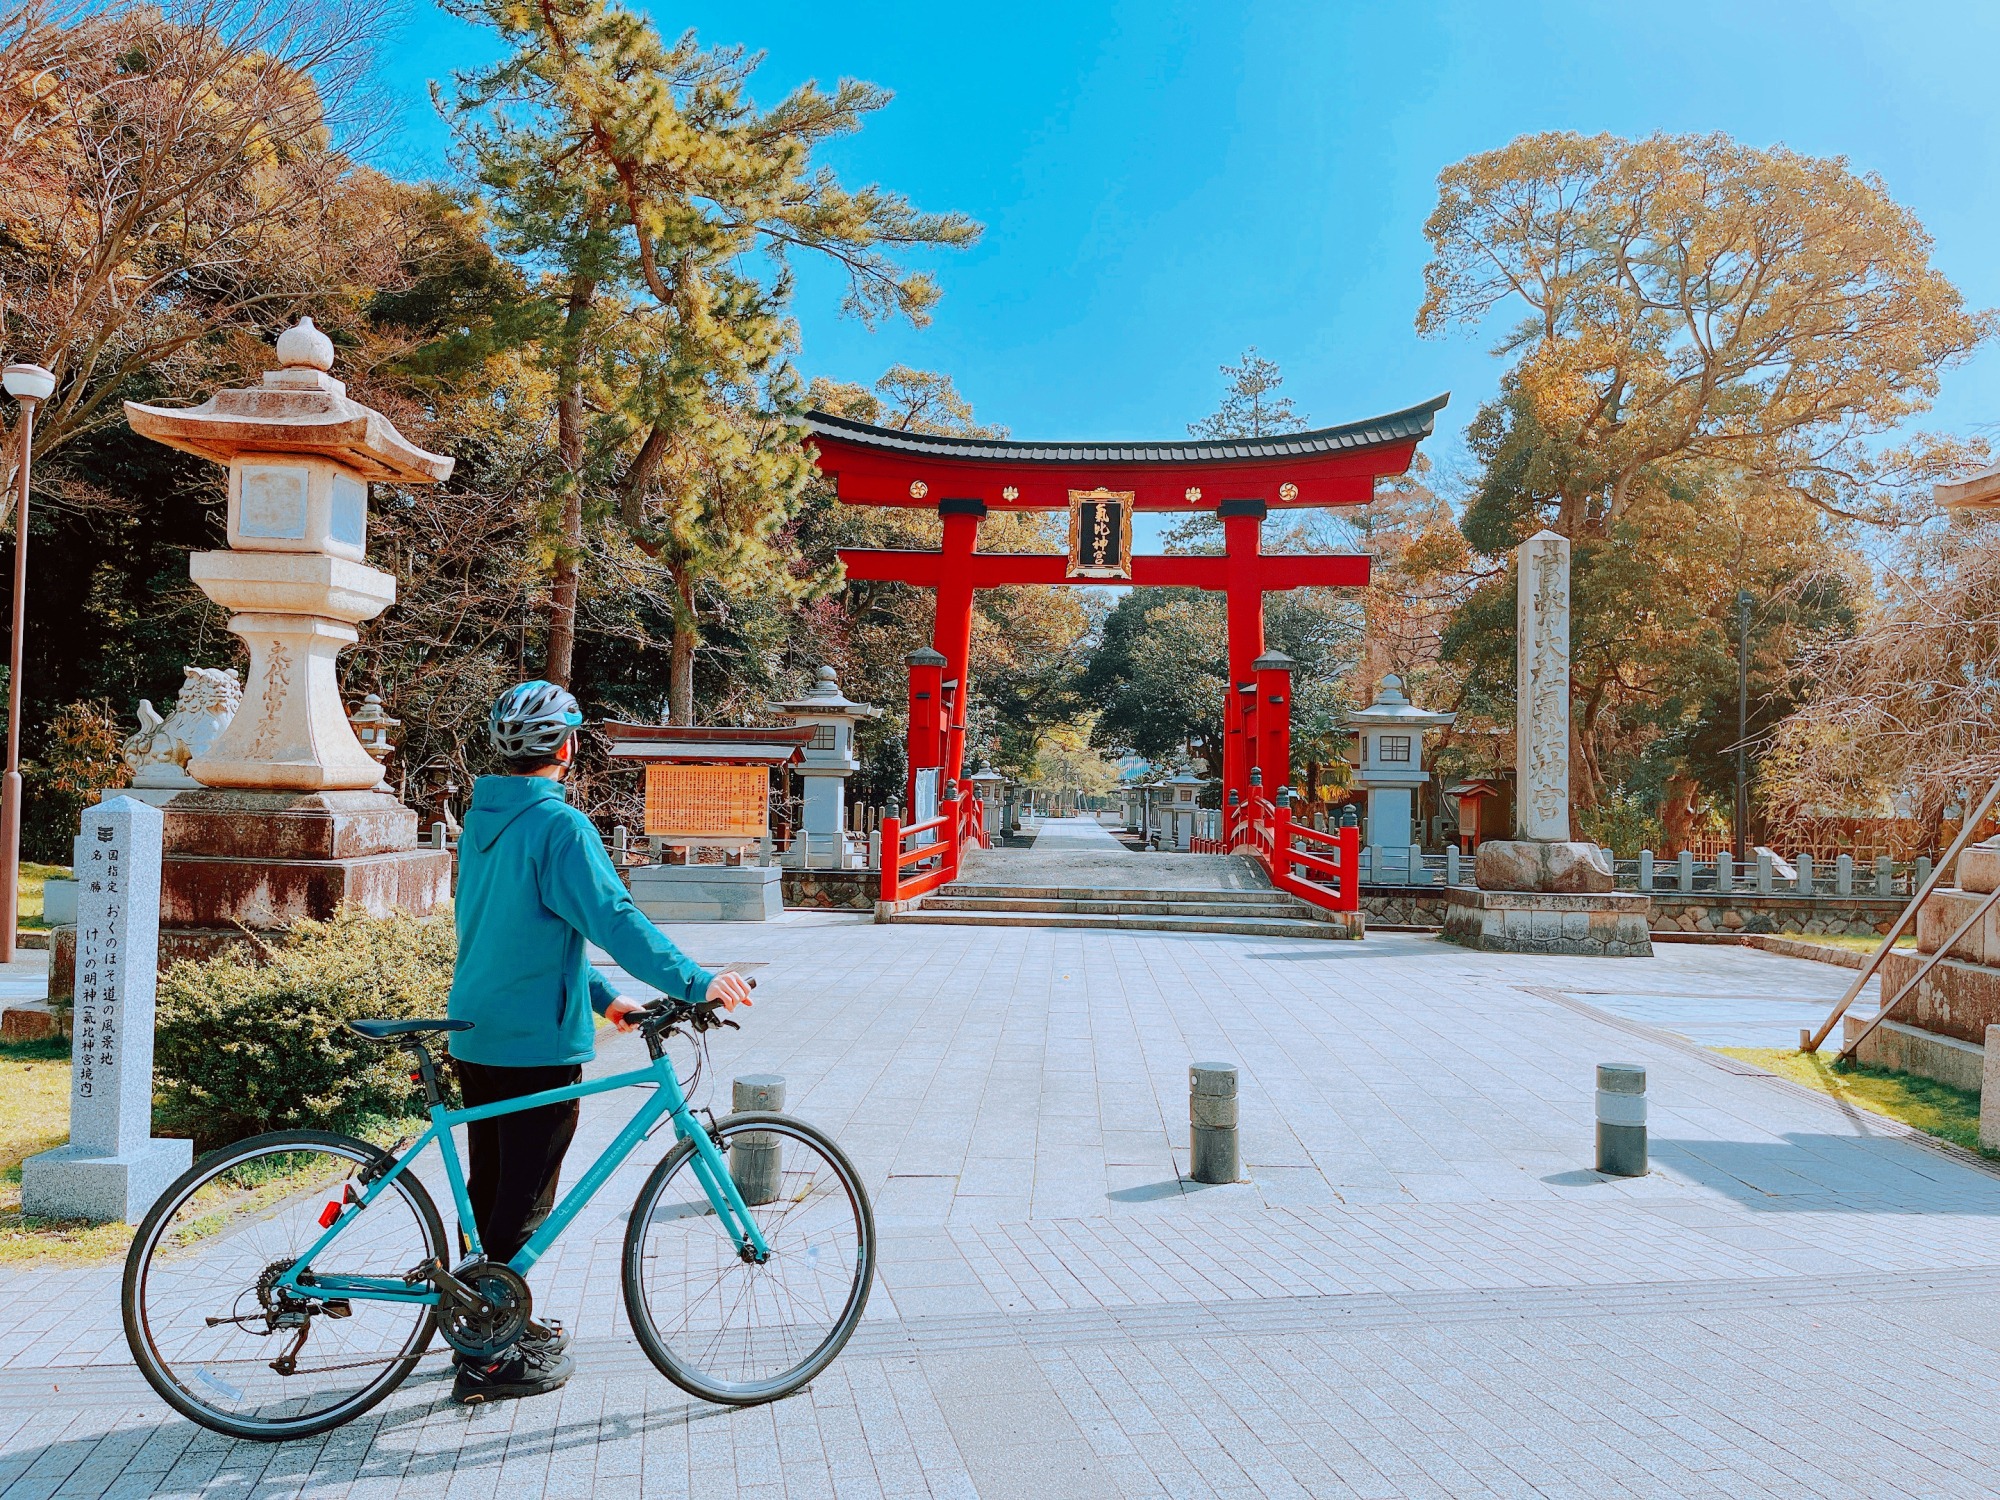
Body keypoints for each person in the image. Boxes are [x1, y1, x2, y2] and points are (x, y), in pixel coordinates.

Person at [444, 680, 754, 1405]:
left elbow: (522, 934)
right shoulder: (560, 826)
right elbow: (613, 919)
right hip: (533, 1045)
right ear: (569, 746)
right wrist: (697, 977)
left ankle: (483, 1321)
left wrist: (605, 1000)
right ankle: (492, 1360)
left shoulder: (485, 822)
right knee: (521, 1199)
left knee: (489, 1189)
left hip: (478, 1029)